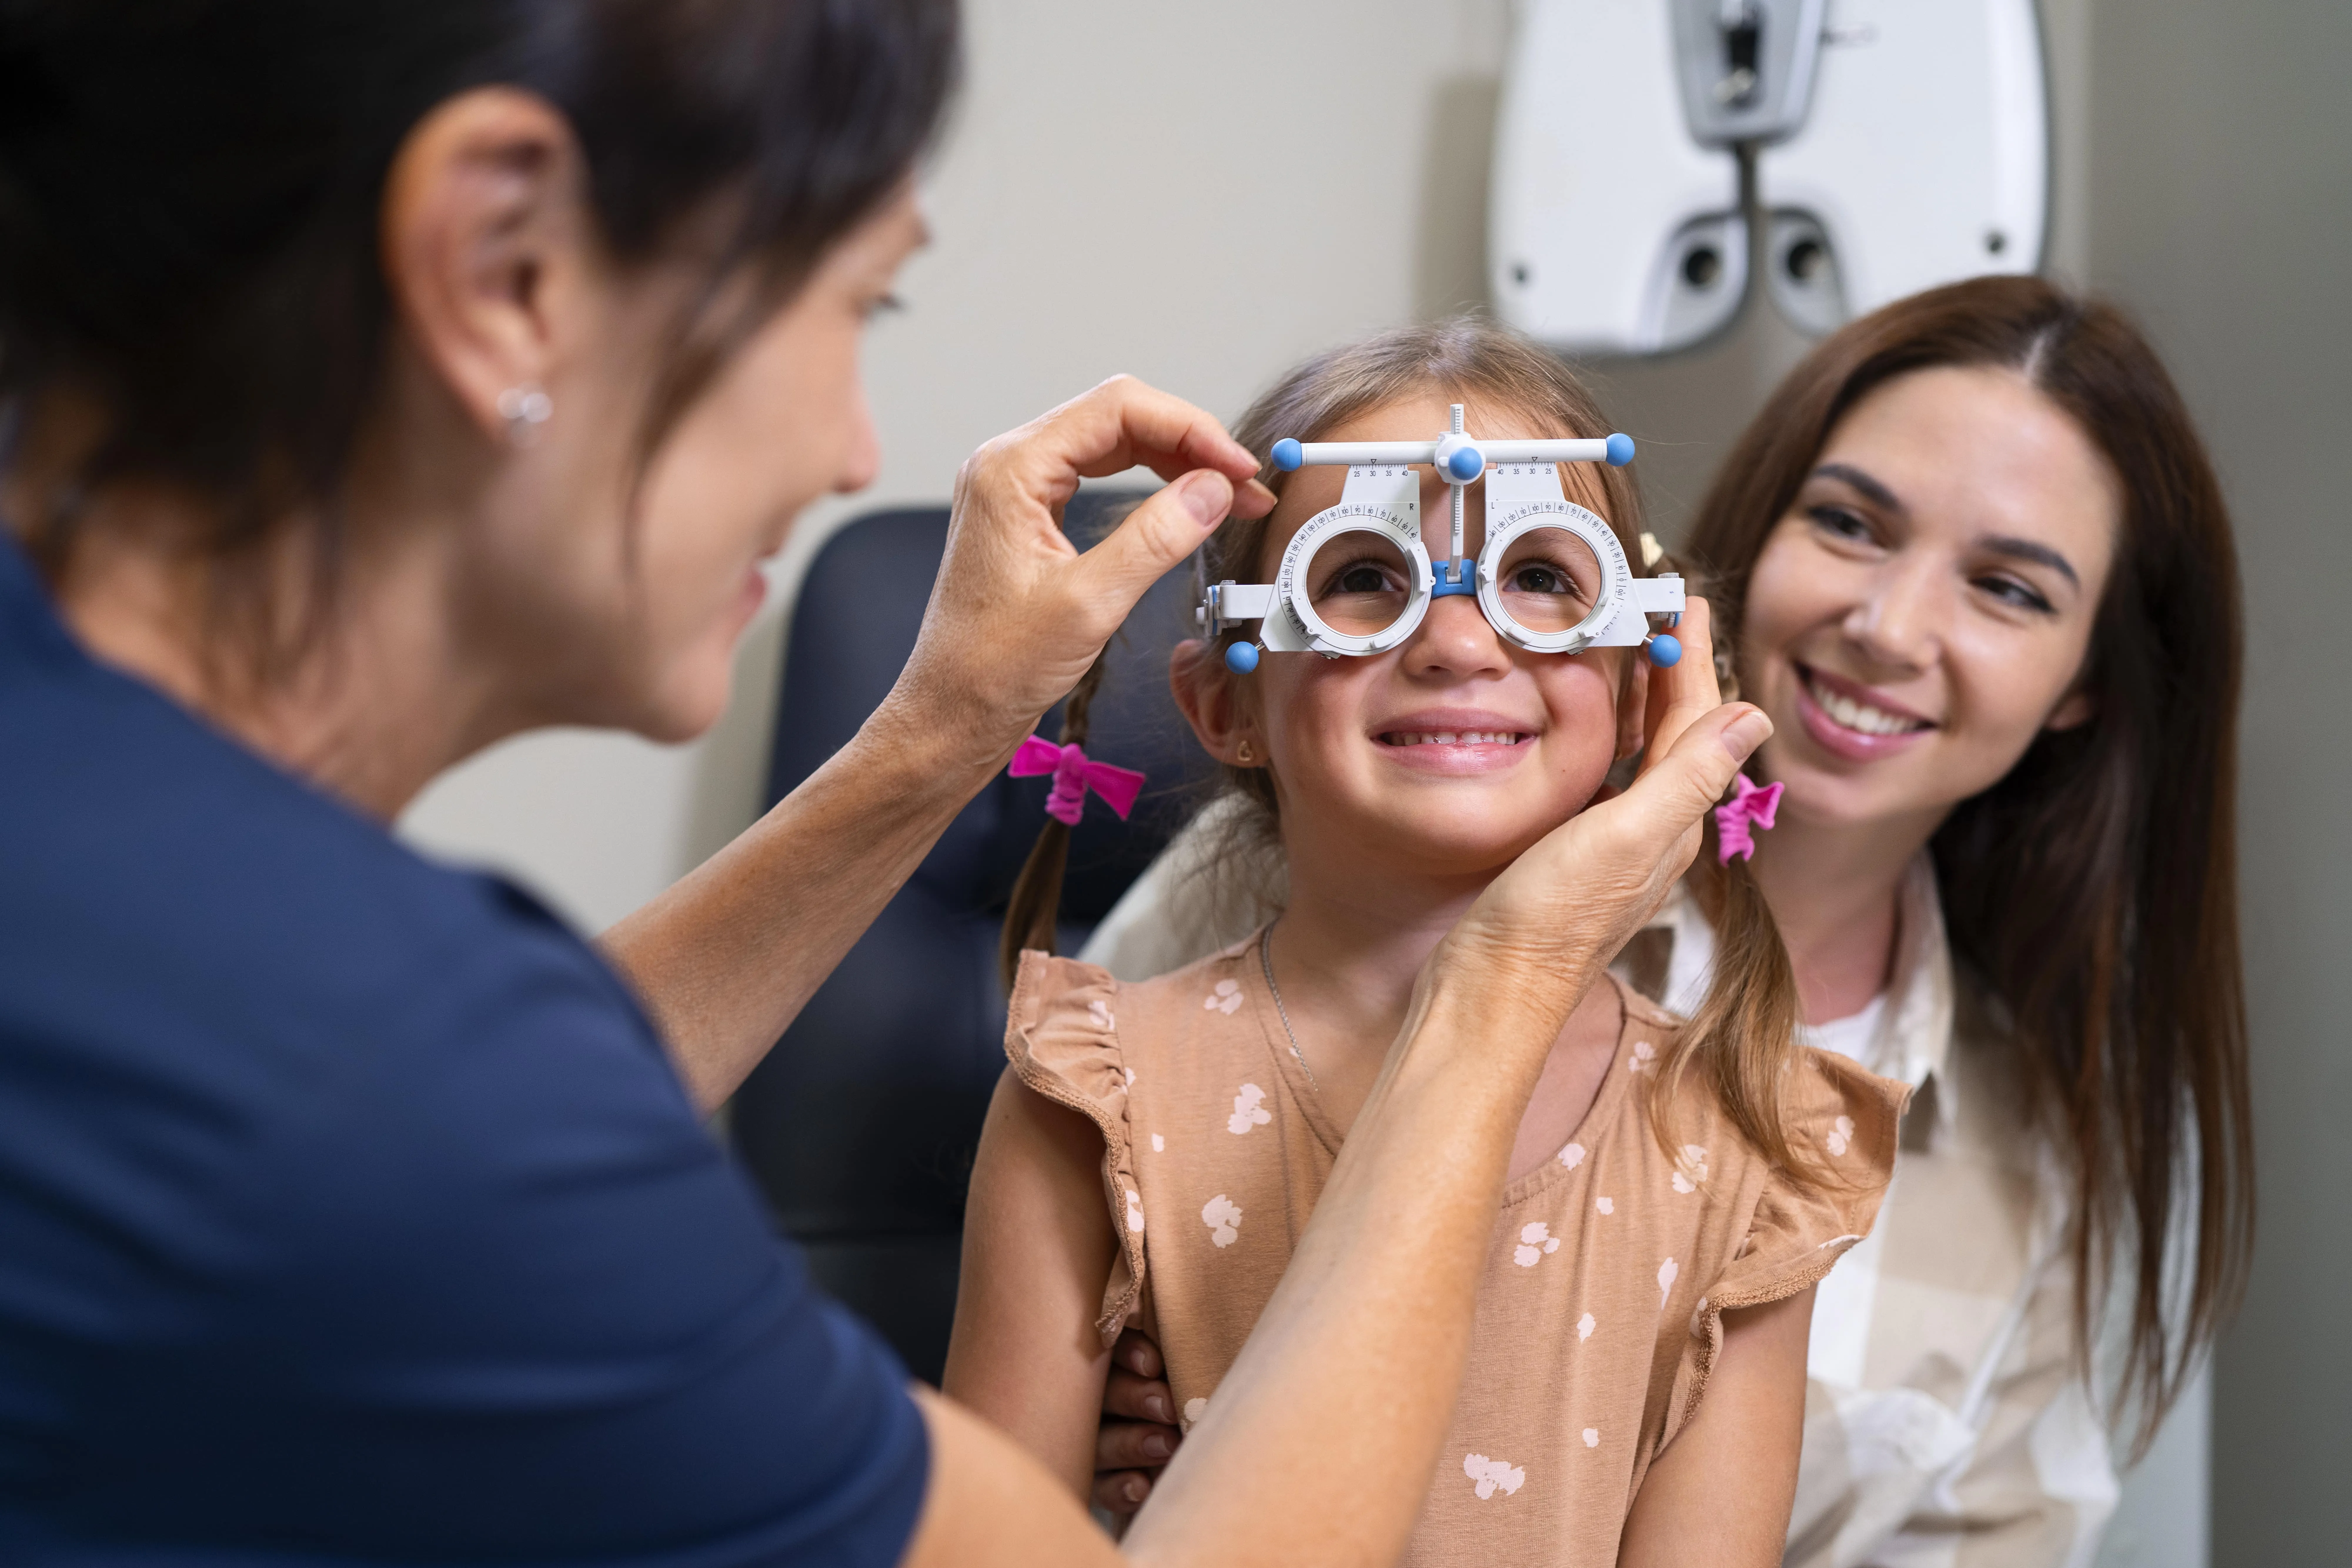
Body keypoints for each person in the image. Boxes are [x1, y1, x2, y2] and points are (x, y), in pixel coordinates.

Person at [0, 3, 1775, 1565]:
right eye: (859, 302)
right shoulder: (378, 1083)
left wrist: (942, 732)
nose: (862, 448)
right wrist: (1510, 979)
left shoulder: (200, 963)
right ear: (508, 269)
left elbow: (464, 1123)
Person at [1083, 278, 2254, 1568]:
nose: (1888, 626)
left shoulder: (2045, 1150)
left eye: (2007, 589)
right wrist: (1177, 1426)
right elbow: (1098, 1249)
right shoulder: (1374, 836)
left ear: (2086, 680)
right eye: (1852, 524)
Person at [943, 323, 1905, 1567]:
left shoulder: (1738, 1137)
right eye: (1359, 578)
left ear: (1639, 685)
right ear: (1223, 702)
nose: (1456, 642)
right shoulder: (1095, 1097)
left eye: (1543, 579)